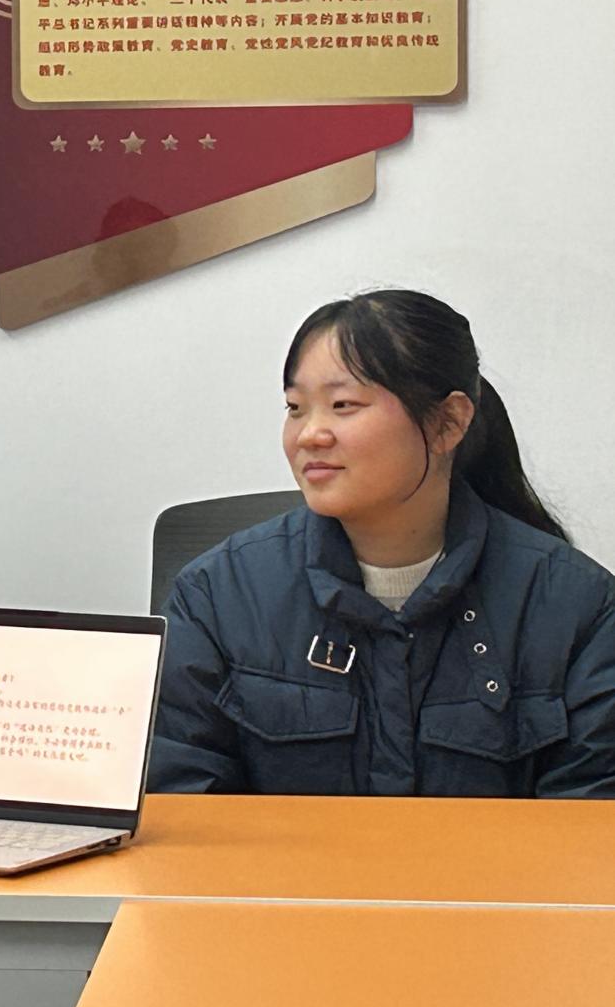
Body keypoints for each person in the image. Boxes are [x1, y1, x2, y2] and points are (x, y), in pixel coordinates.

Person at [151, 289, 615, 797]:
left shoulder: (575, 605)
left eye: (343, 405)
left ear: (449, 423)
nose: (309, 434)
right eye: (295, 408)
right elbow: (180, 801)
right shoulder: (219, 595)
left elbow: (591, 817)